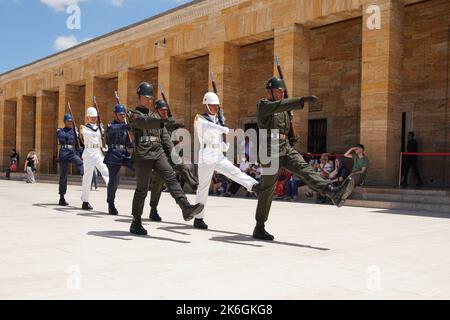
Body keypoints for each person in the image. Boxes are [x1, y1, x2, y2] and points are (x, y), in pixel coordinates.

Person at [253, 77, 355, 241]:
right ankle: (259, 226)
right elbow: (277, 107)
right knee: (268, 190)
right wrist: (300, 101)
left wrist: (292, 137)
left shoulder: (284, 110)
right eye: (278, 91)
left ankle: (333, 192)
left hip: (285, 148)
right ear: (269, 91)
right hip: (269, 150)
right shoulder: (263, 105)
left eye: (282, 92)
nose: (281, 94)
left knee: (305, 169)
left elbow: (285, 129)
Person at [127, 82, 204, 236]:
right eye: (146, 97)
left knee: (171, 178)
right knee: (142, 190)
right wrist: (163, 120)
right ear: (139, 97)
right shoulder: (133, 114)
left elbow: (166, 141)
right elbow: (143, 123)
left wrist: (177, 161)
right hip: (142, 154)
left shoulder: (156, 117)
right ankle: (136, 222)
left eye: (151, 98)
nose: (149, 100)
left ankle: (186, 207)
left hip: (158, 152)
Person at [193, 92, 259, 230]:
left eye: (217, 106)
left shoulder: (218, 119)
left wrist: (222, 145)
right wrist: (222, 128)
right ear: (206, 105)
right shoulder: (200, 118)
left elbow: (216, 136)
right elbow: (207, 127)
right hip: (206, 155)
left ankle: (254, 186)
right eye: (213, 105)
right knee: (203, 187)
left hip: (217, 154)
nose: (216, 108)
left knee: (233, 171)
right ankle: (198, 219)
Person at [149, 99, 199, 222]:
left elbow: (175, 142)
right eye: (162, 110)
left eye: (166, 110)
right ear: (156, 111)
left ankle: (194, 185)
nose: (165, 112)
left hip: (170, 157)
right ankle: (153, 210)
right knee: (157, 186)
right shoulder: (151, 123)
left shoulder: (170, 124)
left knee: (181, 166)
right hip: (157, 158)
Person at [104, 104, 134, 215]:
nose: (122, 116)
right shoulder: (111, 125)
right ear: (115, 115)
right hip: (113, 154)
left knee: (138, 168)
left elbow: (129, 143)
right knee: (114, 181)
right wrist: (127, 126)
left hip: (124, 154)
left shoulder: (126, 126)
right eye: (120, 114)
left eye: (123, 114)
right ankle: (111, 203)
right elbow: (113, 129)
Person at [80, 107, 109, 210]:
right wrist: (99, 129)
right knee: (87, 178)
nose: (93, 118)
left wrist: (103, 144)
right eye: (91, 117)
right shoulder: (84, 128)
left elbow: (100, 140)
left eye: (95, 117)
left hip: (97, 152)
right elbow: (89, 135)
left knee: (106, 171)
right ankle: (85, 201)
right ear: (88, 117)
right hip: (88, 153)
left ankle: (111, 195)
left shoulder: (98, 128)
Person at [56, 114, 84, 206]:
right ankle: (62, 197)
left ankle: (84, 175)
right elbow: (61, 138)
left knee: (80, 162)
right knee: (63, 175)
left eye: (71, 121)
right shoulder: (61, 131)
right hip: (64, 152)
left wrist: (80, 153)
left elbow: (78, 144)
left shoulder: (75, 132)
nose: (70, 123)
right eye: (68, 121)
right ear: (65, 122)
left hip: (72, 152)